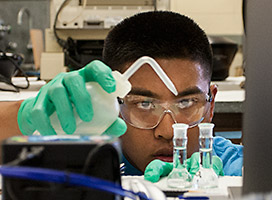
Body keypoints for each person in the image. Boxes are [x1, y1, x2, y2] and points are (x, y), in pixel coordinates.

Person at [0, 11, 243, 180]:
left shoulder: (238, 169)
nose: (168, 131)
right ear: (114, 103)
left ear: (211, 106)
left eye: (186, 102)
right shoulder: (89, 159)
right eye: (145, 104)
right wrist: (25, 117)